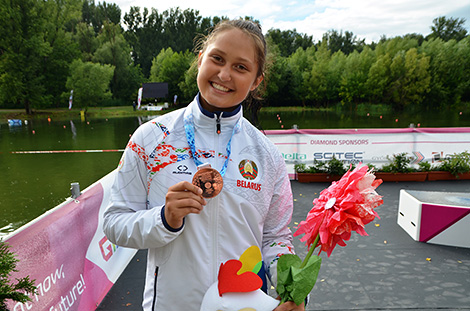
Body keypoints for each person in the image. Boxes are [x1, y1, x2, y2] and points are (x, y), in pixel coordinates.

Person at [103, 19, 304, 311]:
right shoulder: (150, 138)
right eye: (217, 59)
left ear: (257, 80)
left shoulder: (267, 154)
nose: (224, 74)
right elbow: (114, 223)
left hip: (245, 305)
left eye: (241, 67)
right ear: (201, 59)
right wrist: (164, 219)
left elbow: (276, 237)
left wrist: (294, 290)